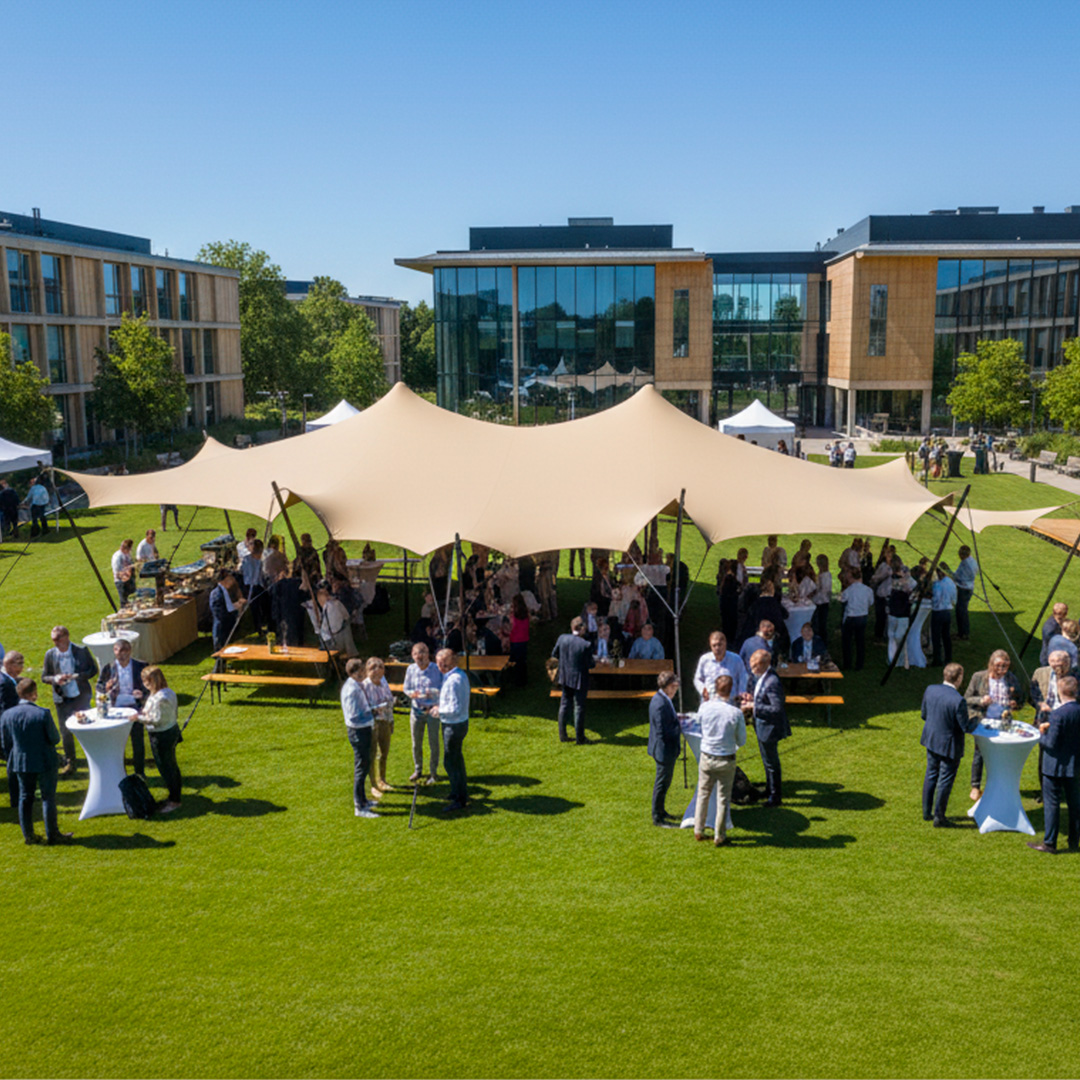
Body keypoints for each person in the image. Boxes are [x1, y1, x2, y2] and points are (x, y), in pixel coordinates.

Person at [0, 678, 70, 845]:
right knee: (48, 798)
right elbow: (54, 739)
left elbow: (5, 742)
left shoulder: (7, 715)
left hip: (20, 760)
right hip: (44, 760)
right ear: (34, 694)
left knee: (25, 797)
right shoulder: (42, 713)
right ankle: (52, 834)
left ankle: (28, 835)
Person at [919, 662, 976, 826]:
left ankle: (926, 812)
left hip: (931, 740)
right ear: (958, 678)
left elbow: (924, 714)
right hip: (949, 746)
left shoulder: (930, 689)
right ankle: (939, 817)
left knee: (931, 774)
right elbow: (965, 727)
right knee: (945, 780)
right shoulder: (958, 701)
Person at [964, 649, 1025, 801]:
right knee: (980, 753)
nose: (1002, 670)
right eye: (999, 666)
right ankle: (975, 786)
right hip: (983, 721)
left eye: (1005, 666)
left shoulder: (1010, 678)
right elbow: (966, 699)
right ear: (991, 664)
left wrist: (1015, 702)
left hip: (1004, 721)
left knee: (1002, 753)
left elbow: (1022, 697)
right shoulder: (979, 677)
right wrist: (981, 701)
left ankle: (999, 785)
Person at [1029, 675, 1080, 853]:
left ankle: (1050, 842)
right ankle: (1074, 840)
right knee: (1075, 803)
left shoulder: (1058, 714)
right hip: (1075, 765)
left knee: (1052, 804)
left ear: (1060, 691)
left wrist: (1041, 733)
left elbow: (1050, 744)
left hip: (1054, 766)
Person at [694, 674, 746, 845]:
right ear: (731, 691)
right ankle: (719, 835)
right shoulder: (735, 713)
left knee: (703, 794)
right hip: (726, 759)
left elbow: (698, 727)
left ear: (715, 688)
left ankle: (698, 829)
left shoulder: (704, 708)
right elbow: (742, 740)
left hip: (707, 757)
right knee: (723, 798)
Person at [41, 625, 98, 776]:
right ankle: (70, 762)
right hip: (62, 698)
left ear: (66, 637)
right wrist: (55, 678)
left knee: (87, 728)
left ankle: (94, 758)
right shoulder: (50, 654)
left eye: (57, 639)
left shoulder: (81, 651)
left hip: (80, 696)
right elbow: (44, 677)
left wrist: (77, 676)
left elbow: (93, 670)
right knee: (66, 732)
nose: (55, 642)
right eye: (53, 639)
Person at [741, 649, 790, 806]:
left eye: (754, 667)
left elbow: (777, 709)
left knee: (772, 763)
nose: (752, 671)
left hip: (769, 729)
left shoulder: (772, 682)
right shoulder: (764, 678)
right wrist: (752, 698)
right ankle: (769, 790)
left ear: (762, 665)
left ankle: (776, 797)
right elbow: (761, 696)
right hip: (762, 727)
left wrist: (754, 706)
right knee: (766, 760)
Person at [133, 665, 182, 813]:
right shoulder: (162, 693)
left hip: (162, 735)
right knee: (170, 765)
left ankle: (174, 800)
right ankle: (174, 796)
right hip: (168, 732)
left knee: (167, 768)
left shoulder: (163, 698)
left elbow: (156, 719)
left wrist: (138, 718)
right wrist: (141, 698)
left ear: (153, 681)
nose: (144, 684)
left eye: (146, 681)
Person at [97, 639, 147, 775]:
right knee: (119, 743)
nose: (121, 655)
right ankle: (121, 772)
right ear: (114, 651)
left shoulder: (140, 666)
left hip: (135, 707)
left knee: (137, 741)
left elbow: (150, 686)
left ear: (129, 651)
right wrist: (106, 687)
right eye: (118, 651)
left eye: (124, 652)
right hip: (116, 708)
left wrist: (142, 695)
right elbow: (99, 686)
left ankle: (140, 772)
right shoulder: (109, 668)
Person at [1031, 649, 1073, 800]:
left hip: (1066, 719)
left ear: (1067, 663)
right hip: (1045, 719)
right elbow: (1033, 693)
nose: (1056, 667)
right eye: (1052, 663)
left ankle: (1066, 788)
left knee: (1066, 754)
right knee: (1045, 755)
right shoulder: (1040, 672)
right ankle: (1045, 791)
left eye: (1060, 664)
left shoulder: (1075, 676)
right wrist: (1040, 703)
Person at [431, 648, 470, 812]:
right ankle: (458, 792)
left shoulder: (453, 680)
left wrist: (438, 711)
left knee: (451, 761)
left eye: (441, 663)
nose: (439, 666)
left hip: (453, 725)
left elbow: (454, 707)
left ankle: (459, 799)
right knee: (456, 759)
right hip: (459, 723)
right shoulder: (458, 675)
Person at [341, 658, 377, 818]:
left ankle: (363, 800)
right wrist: (373, 713)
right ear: (355, 672)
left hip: (363, 730)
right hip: (358, 732)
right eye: (362, 669)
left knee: (364, 764)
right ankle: (359, 807)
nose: (364, 672)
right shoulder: (352, 690)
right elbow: (355, 716)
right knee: (361, 768)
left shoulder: (355, 685)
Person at [551, 616, 595, 744]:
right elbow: (591, 664)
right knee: (579, 707)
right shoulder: (585, 645)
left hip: (565, 676)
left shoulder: (562, 638)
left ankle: (562, 735)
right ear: (581, 629)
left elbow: (554, 654)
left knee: (564, 704)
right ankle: (580, 738)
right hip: (580, 679)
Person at [404, 642, 442, 786]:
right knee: (416, 743)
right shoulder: (411, 669)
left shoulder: (436, 669)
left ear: (428, 656)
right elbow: (406, 688)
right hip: (417, 710)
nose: (420, 661)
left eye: (423, 657)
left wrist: (432, 693)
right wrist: (413, 694)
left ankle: (433, 772)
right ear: (413, 657)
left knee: (433, 743)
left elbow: (443, 688)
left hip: (432, 710)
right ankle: (418, 769)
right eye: (417, 657)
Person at [647, 671, 682, 828]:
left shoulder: (662, 699)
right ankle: (657, 817)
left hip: (664, 749)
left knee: (664, 783)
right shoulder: (660, 703)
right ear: (667, 686)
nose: (676, 690)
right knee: (661, 784)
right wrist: (681, 728)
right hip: (664, 750)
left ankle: (661, 811)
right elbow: (663, 732)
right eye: (674, 687)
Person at [361, 658, 394, 798]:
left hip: (385, 720)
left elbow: (389, 702)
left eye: (380, 667)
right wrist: (376, 708)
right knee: (372, 754)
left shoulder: (383, 683)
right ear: (367, 670)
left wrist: (391, 720)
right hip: (372, 723)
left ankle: (383, 780)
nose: (377, 670)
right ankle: (373, 784)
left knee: (384, 752)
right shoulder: (364, 686)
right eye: (373, 667)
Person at [694, 631, 748, 703]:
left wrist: (741, 694)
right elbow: (697, 679)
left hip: (730, 702)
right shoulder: (704, 659)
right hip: (709, 702)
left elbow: (743, 678)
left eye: (719, 645)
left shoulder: (736, 659)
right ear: (710, 645)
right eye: (714, 645)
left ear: (725, 643)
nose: (717, 648)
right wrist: (703, 690)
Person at [1, 650, 25, 807]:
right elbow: (5, 711)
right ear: (9, 664)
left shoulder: (6, 679)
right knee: (13, 764)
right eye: (19, 664)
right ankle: (17, 799)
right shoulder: (5, 684)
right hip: (8, 731)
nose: (22, 668)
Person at [839, 569, 874, 671]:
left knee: (847, 642)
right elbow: (871, 602)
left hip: (851, 617)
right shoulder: (868, 590)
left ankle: (847, 663)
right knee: (860, 641)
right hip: (862, 616)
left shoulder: (849, 590)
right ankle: (859, 664)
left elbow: (842, 599)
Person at [210, 571, 246, 658]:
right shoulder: (217, 594)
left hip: (225, 625)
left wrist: (238, 604)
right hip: (222, 627)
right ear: (224, 580)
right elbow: (221, 613)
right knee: (221, 652)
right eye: (230, 580)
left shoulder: (224, 591)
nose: (232, 582)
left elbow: (229, 607)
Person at [313, 587, 356, 657]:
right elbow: (347, 616)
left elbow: (326, 630)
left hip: (335, 640)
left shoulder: (328, 608)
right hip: (344, 637)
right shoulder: (337, 603)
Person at [930, 564, 957, 666]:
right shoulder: (951, 583)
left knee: (936, 637)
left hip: (938, 612)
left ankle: (937, 659)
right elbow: (954, 598)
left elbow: (936, 599)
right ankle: (948, 657)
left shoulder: (938, 584)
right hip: (948, 611)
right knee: (946, 636)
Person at [953, 545, 977, 640]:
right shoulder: (972, 561)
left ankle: (962, 633)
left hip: (963, 588)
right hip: (970, 587)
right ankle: (964, 632)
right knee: (964, 610)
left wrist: (949, 572)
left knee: (960, 611)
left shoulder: (965, 564)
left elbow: (958, 576)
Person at [1040, 602, 1069, 666]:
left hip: (1056, 657)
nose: (1067, 614)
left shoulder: (1059, 622)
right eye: (1065, 612)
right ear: (1061, 614)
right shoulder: (1050, 628)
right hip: (1050, 659)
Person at [811, 554, 832, 640]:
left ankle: (821, 640)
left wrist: (814, 592)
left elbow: (824, 589)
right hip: (820, 601)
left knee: (820, 624)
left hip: (821, 602)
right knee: (818, 622)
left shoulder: (825, 576)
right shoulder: (822, 574)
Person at [111, 538, 136, 603]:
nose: (130, 550)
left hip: (129, 580)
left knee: (133, 600)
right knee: (125, 602)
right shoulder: (117, 557)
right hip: (121, 582)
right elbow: (117, 572)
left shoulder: (126, 554)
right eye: (130, 549)